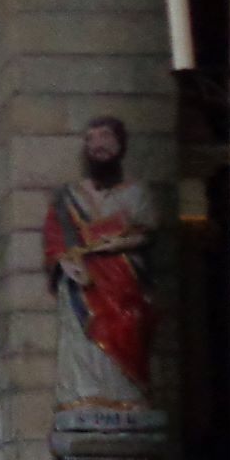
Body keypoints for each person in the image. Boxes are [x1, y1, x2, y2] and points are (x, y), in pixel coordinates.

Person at [43, 116, 157, 415]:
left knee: (127, 325)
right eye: (91, 139)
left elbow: (146, 232)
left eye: (105, 138)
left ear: (120, 146)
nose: (98, 145)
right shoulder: (69, 196)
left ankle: (127, 395)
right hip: (83, 281)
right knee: (84, 334)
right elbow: (56, 239)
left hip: (124, 279)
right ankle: (84, 396)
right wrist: (67, 264)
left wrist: (115, 243)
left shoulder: (137, 192)